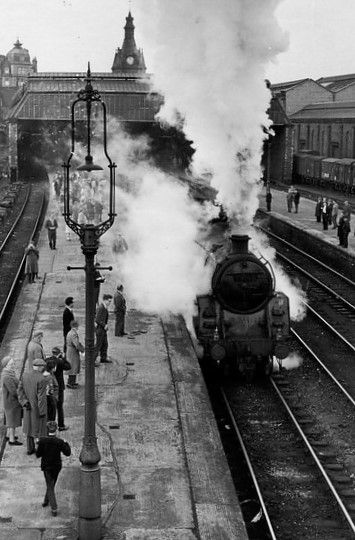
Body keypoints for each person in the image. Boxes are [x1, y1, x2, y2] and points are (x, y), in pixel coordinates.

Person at [36, 420, 71, 517]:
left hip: (47, 466)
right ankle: (46, 500)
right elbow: (67, 453)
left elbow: (38, 454)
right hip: (56, 466)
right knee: (51, 484)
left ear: (47, 430)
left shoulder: (43, 441)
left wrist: (39, 444)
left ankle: (54, 508)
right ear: (56, 430)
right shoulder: (59, 442)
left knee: (50, 486)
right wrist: (66, 442)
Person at [17, 358, 47, 455]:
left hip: (28, 407)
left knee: (29, 429)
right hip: (37, 409)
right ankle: (40, 450)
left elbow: (19, 390)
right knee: (40, 430)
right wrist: (42, 412)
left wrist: (24, 402)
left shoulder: (24, 375)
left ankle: (30, 449)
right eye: (42, 367)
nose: (43, 368)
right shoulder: (41, 379)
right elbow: (41, 398)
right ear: (39, 367)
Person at [46, 347, 71, 431]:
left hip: (50, 387)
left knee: (50, 407)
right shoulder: (60, 362)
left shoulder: (47, 360)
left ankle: (50, 425)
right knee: (59, 407)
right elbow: (68, 366)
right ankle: (61, 425)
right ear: (59, 353)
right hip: (59, 386)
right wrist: (63, 358)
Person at [1, 356, 23, 445]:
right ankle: (12, 440)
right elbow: (13, 391)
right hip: (11, 401)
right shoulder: (7, 376)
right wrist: (21, 396)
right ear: (6, 365)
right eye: (11, 364)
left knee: (10, 419)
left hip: (10, 400)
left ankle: (10, 436)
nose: (13, 365)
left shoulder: (9, 373)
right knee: (12, 421)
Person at [66, 320, 84, 388]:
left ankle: (71, 382)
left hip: (70, 351)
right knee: (73, 367)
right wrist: (82, 351)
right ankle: (71, 383)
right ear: (76, 326)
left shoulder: (70, 332)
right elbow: (76, 344)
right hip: (73, 352)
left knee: (72, 367)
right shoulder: (74, 334)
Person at [95, 294, 113, 364]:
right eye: (109, 301)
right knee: (98, 346)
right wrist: (104, 325)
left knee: (105, 344)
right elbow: (97, 319)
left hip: (103, 330)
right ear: (105, 300)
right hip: (100, 330)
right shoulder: (101, 308)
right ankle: (92, 361)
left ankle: (103, 358)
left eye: (110, 301)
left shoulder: (104, 307)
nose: (110, 303)